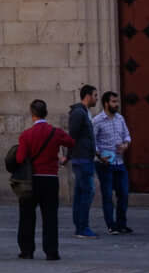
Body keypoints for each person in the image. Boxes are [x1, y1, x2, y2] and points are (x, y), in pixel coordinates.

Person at [9, 99, 67, 259]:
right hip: (50, 179)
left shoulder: (26, 135)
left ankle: (27, 250)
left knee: (27, 215)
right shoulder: (56, 132)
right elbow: (71, 142)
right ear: (45, 112)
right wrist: (63, 158)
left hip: (31, 180)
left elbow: (20, 158)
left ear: (32, 114)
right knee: (50, 216)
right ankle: (51, 251)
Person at [93, 91, 133, 234]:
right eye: (114, 102)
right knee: (108, 195)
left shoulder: (120, 119)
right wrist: (99, 155)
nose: (116, 104)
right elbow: (92, 141)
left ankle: (122, 223)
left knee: (123, 193)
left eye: (117, 101)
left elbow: (127, 136)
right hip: (105, 163)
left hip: (119, 162)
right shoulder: (97, 120)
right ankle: (111, 225)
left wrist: (125, 145)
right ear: (106, 103)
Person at [67, 85, 101, 237]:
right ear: (87, 96)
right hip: (81, 159)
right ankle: (82, 227)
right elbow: (72, 136)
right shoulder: (79, 113)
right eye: (95, 95)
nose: (97, 98)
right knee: (87, 192)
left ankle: (80, 226)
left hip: (85, 158)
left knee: (81, 193)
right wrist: (68, 156)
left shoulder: (85, 112)